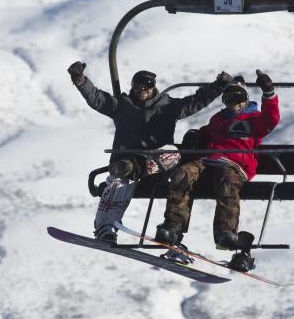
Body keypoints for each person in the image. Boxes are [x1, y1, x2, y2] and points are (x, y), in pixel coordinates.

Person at [68, 61, 232, 243]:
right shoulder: (122, 106)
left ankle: (138, 166)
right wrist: (80, 80)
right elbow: (97, 98)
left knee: (173, 153)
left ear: (154, 87)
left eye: (148, 85)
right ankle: (105, 229)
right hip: (128, 170)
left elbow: (195, 102)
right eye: (138, 86)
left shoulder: (168, 106)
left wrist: (219, 85)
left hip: (157, 168)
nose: (143, 90)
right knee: (117, 183)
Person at [155, 70, 280, 271]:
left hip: (234, 165)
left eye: (238, 98)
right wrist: (196, 136)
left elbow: (271, 119)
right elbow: (207, 133)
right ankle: (173, 226)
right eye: (229, 98)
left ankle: (225, 232)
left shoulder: (255, 119)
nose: (234, 103)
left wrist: (269, 93)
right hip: (210, 161)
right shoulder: (219, 119)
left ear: (245, 99)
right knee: (181, 174)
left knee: (226, 181)